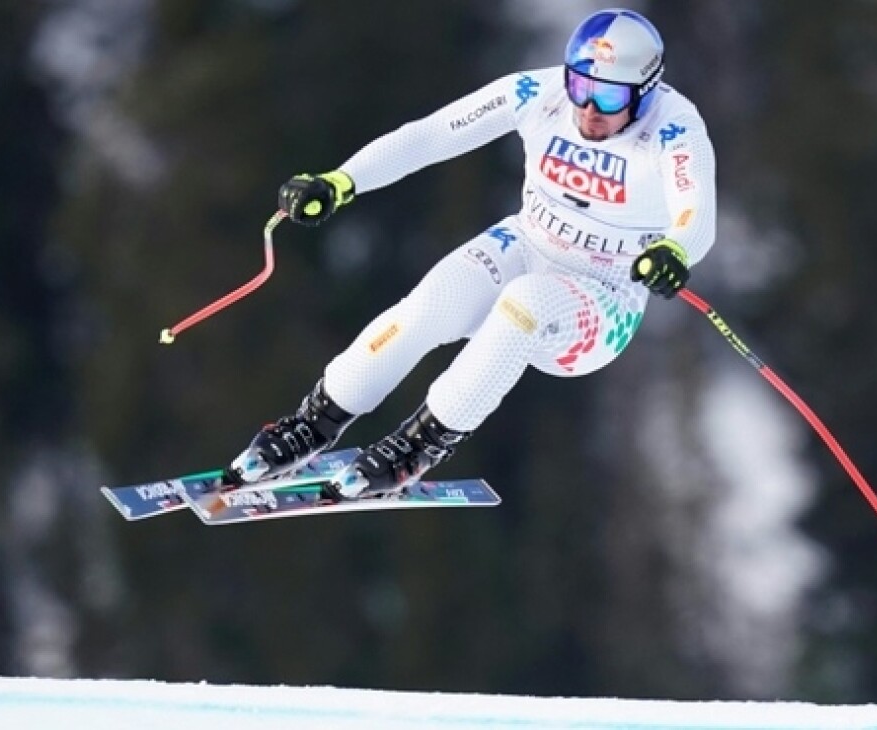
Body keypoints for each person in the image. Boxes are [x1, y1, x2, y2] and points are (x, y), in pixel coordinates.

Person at [229, 8, 716, 500]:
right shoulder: (539, 93)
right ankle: (314, 422)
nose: (590, 108)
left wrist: (675, 249)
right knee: (432, 304)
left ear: (645, 92)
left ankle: (420, 444)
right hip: (528, 242)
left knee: (524, 304)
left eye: (609, 97)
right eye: (581, 86)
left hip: (603, 292)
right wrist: (341, 181)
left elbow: (697, 212)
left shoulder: (674, 128)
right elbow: (433, 134)